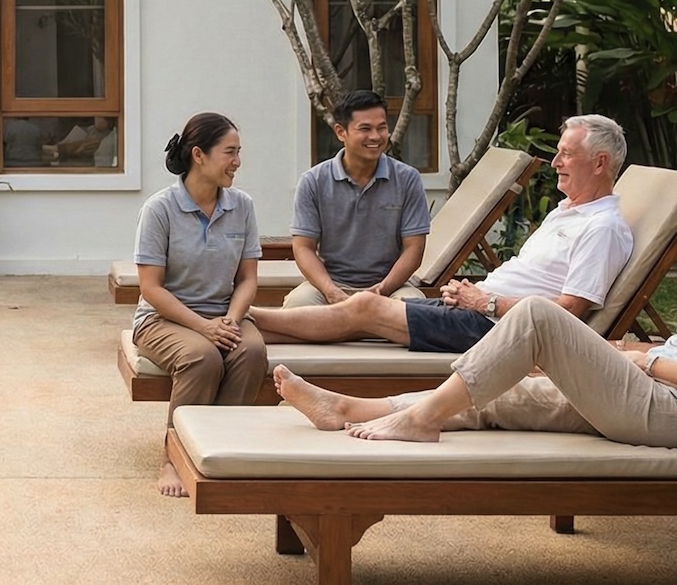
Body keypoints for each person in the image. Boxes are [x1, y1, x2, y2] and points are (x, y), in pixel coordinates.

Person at [275, 157, 677, 447]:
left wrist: (644, 359)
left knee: (537, 313)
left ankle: (416, 420)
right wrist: (609, 353)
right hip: (649, 391)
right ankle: (345, 410)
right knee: (495, 397)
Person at [250, 114, 633, 354]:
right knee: (358, 315)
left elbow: (569, 313)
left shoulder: (602, 228)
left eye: (566, 154)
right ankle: (248, 331)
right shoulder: (568, 212)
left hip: (496, 328)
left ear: (599, 163)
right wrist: (472, 295)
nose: (555, 162)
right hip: (480, 311)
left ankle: (245, 317)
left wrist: (483, 302)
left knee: (365, 310)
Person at [133, 112, 268, 497]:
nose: (237, 162)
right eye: (230, 152)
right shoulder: (159, 210)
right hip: (163, 318)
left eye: (239, 152)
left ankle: (223, 450)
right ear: (199, 155)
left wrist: (230, 319)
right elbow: (151, 288)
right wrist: (203, 327)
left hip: (224, 314)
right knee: (202, 357)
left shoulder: (242, 206)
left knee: (251, 351)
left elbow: (247, 279)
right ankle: (174, 459)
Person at [284, 90, 432, 307]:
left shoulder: (407, 179)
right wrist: (331, 291)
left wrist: (382, 290)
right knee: (295, 307)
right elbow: (303, 247)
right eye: (365, 129)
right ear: (340, 132)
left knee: (415, 310)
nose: (375, 136)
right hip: (330, 285)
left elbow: (414, 248)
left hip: (392, 286)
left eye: (381, 128)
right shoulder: (313, 181)